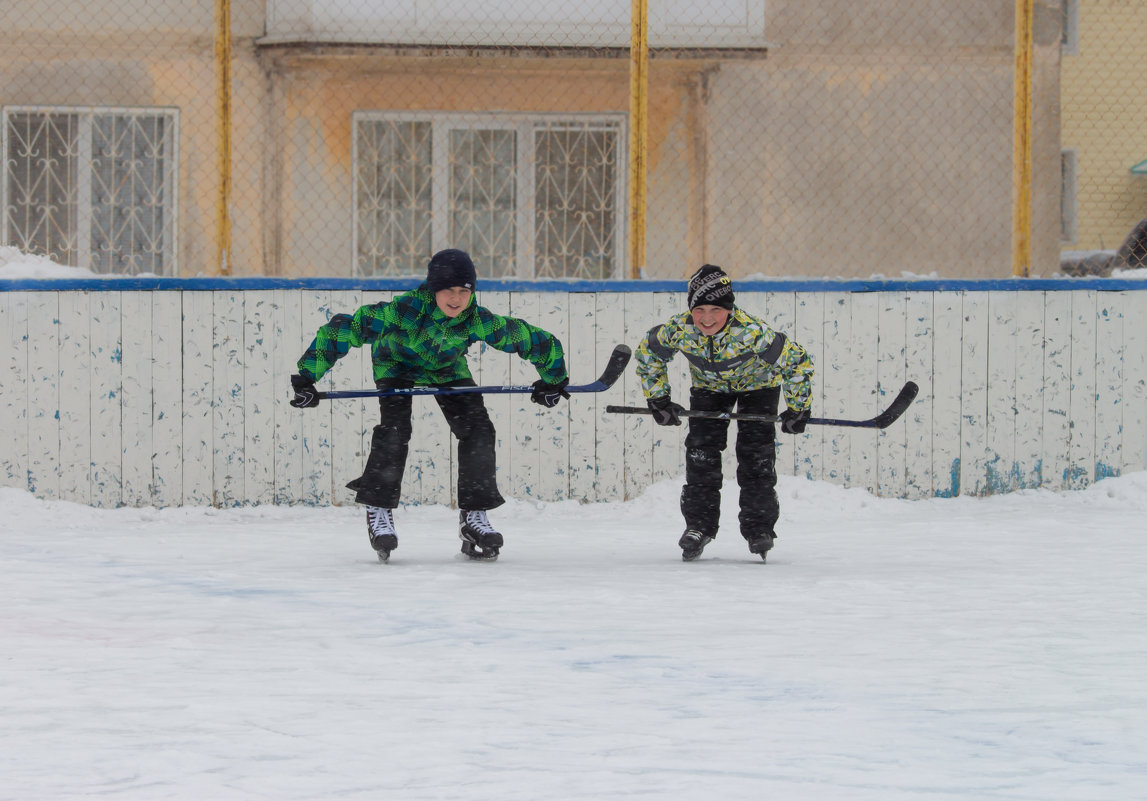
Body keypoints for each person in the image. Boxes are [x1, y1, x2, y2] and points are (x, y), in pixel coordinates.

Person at [289, 248, 570, 562]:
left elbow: (528, 338)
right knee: (395, 431)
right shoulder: (403, 312)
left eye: (464, 291)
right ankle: (379, 509)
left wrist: (553, 378)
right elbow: (345, 329)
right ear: (433, 289)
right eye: (448, 290)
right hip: (396, 366)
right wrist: (306, 377)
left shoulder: (474, 318)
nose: (456, 298)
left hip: (447, 369)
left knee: (478, 428)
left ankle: (473, 516)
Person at [634, 264, 815, 562]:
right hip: (709, 389)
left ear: (729, 309)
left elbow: (797, 362)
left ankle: (759, 528)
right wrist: (659, 400)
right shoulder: (680, 330)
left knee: (756, 457)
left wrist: (798, 407)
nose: (706, 318)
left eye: (715, 310)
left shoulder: (752, 332)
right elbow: (648, 353)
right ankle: (699, 526)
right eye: (699, 309)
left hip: (759, 388)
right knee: (701, 456)